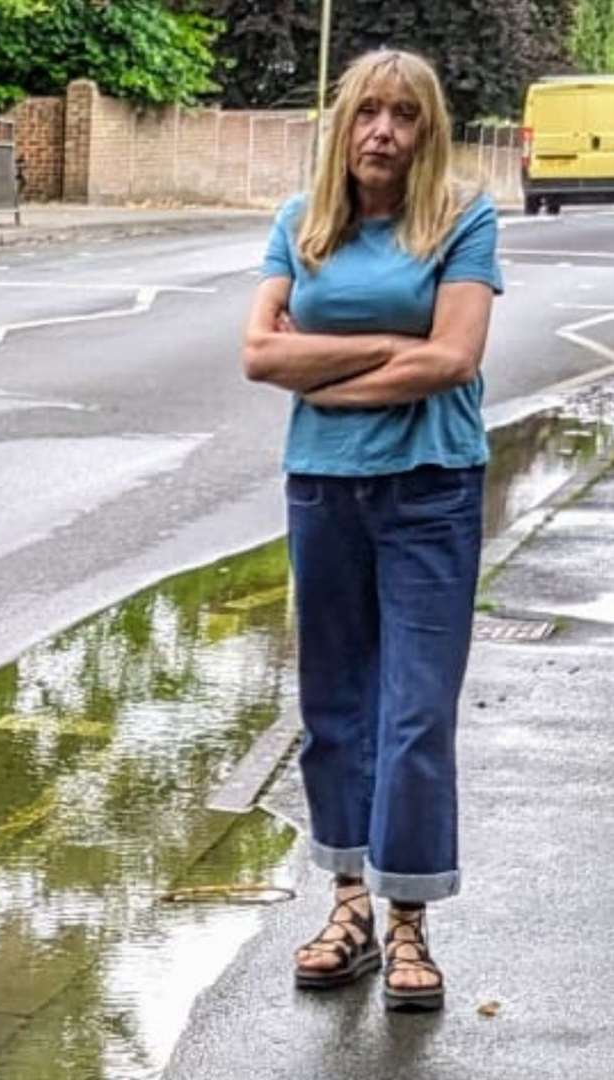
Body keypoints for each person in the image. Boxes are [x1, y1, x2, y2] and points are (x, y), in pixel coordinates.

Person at [241, 48, 504, 1013]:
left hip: (431, 486)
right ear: (341, 125)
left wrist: (326, 375)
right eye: (366, 113)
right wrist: (389, 345)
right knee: (334, 707)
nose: (382, 131)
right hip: (324, 490)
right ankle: (348, 906)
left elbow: (456, 358)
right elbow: (257, 353)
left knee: (417, 714)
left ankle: (409, 924)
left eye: (402, 115)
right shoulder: (300, 226)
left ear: (425, 131)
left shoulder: (461, 220)